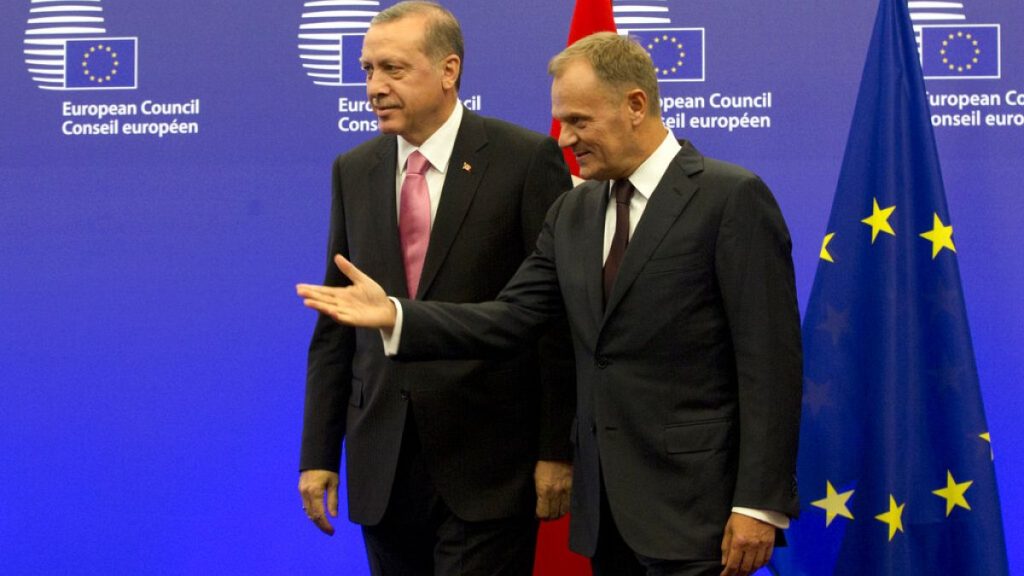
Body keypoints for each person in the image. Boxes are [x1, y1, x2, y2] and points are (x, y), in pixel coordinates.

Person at [298, 32, 802, 576]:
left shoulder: (730, 198)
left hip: (700, 511)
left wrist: (758, 503)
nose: (564, 139)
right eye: (561, 121)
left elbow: (770, 366)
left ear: (636, 105)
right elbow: (511, 317)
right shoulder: (573, 212)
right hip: (608, 516)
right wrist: (398, 316)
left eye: (579, 121)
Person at [297, 2, 576, 575]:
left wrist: (556, 448)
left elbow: (552, 318)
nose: (374, 87)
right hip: (382, 464)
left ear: (449, 70)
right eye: (368, 69)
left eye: (393, 69)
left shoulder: (524, 159)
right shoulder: (354, 168)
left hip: (488, 464)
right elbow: (337, 321)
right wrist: (319, 454)